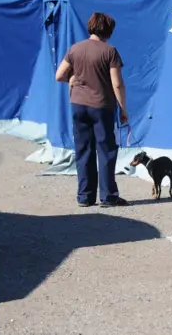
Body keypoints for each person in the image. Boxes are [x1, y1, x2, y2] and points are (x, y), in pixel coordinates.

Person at [55, 12, 129, 207]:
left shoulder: (75, 49)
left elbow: (59, 75)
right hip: (102, 107)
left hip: (78, 105)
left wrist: (72, 79)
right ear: (108, 30)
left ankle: (85, 197)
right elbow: (117, 84)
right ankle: (108, 196)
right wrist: (123, 109)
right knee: (106, 151)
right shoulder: (110, 51)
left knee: (83, 150)